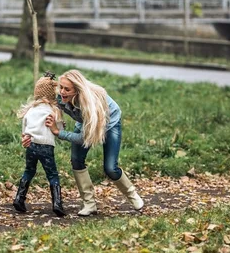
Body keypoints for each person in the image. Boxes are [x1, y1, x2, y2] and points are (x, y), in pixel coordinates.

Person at [24, 69, 144, 216]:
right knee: (76, 160)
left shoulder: (89, 105)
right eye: (61, 87)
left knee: (110, 168)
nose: (62, 92)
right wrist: (30, 134)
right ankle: (89, 204)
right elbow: (41, 104)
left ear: (78, 91)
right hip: (84, 121)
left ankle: (133, 195)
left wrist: (58, 132)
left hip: (108, 121)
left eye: (67, 89)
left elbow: (84, 139)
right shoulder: (61, 96)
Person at [14, 72, 66, 217]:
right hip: (46, 147)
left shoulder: (30, 110)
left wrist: (25, 137)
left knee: (29, 171)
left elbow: (25, 128)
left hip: (31, 145)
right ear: (52, 95)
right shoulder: (54, 111)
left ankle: (19, 199)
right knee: (52, 174)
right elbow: (59, 131)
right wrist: (62, 125)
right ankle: (57, 204)